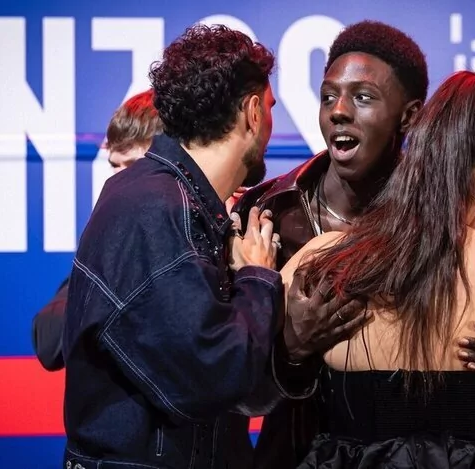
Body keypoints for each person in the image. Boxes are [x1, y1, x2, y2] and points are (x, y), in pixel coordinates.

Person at [233, 20, 475, 468]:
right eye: (328, 96)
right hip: (297, 452)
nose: (339, 111)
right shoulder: (264, 212)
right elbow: (226, 372)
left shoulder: (450, 230)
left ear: (410, 116)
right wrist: (291, 346)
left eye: (363, 97)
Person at [61, 24, 367, 469]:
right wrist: (257, 278)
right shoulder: (155, 209)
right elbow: (212, 377)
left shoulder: (175, 203)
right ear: (252, 113)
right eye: (270, 107)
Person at [32, 88, 162, 372]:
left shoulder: (211, 231)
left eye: (135, 166)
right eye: (115, 166)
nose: (120, 180)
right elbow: (49, 342)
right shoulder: (110, 242)